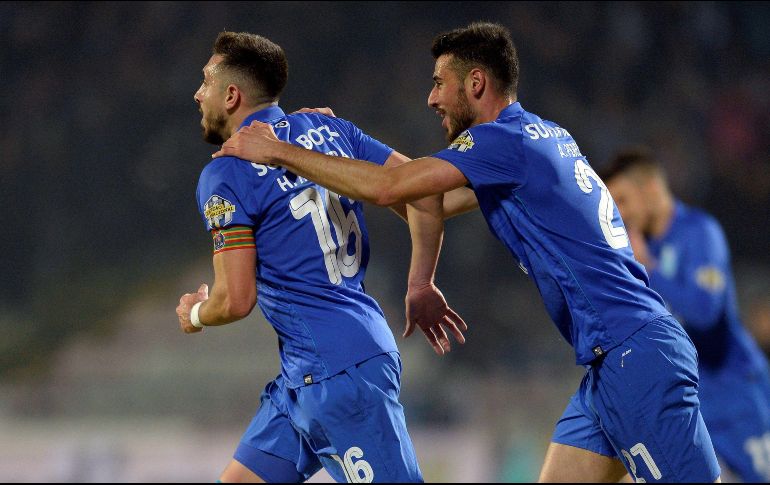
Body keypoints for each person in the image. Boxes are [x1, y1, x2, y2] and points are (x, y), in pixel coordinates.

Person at [212, 22, 723, 483]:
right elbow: (429, 198)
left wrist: (279, 149)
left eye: (439, 84)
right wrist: (419, 280)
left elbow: (392, 188)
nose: (431, 99)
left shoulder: (501, 142)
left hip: (637, 355)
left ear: (475, 84)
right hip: (608, 364)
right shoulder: (542, 137)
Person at [175, 31, 468, 484]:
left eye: (206, 81)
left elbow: (235, 299)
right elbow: (429, 191)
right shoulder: (332, 129)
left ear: (231, 95)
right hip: (307, 375)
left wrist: (195, 312)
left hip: (338, 376)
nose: (198, 93)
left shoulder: (225, 172)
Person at [602, 147, 770, 482]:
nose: (619, 213)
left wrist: (648, 268)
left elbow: (705, 312)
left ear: (650, 188)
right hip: (686, 400)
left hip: (735, 392)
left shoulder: (698, 232)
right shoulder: (639, 252)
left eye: (622, 199)